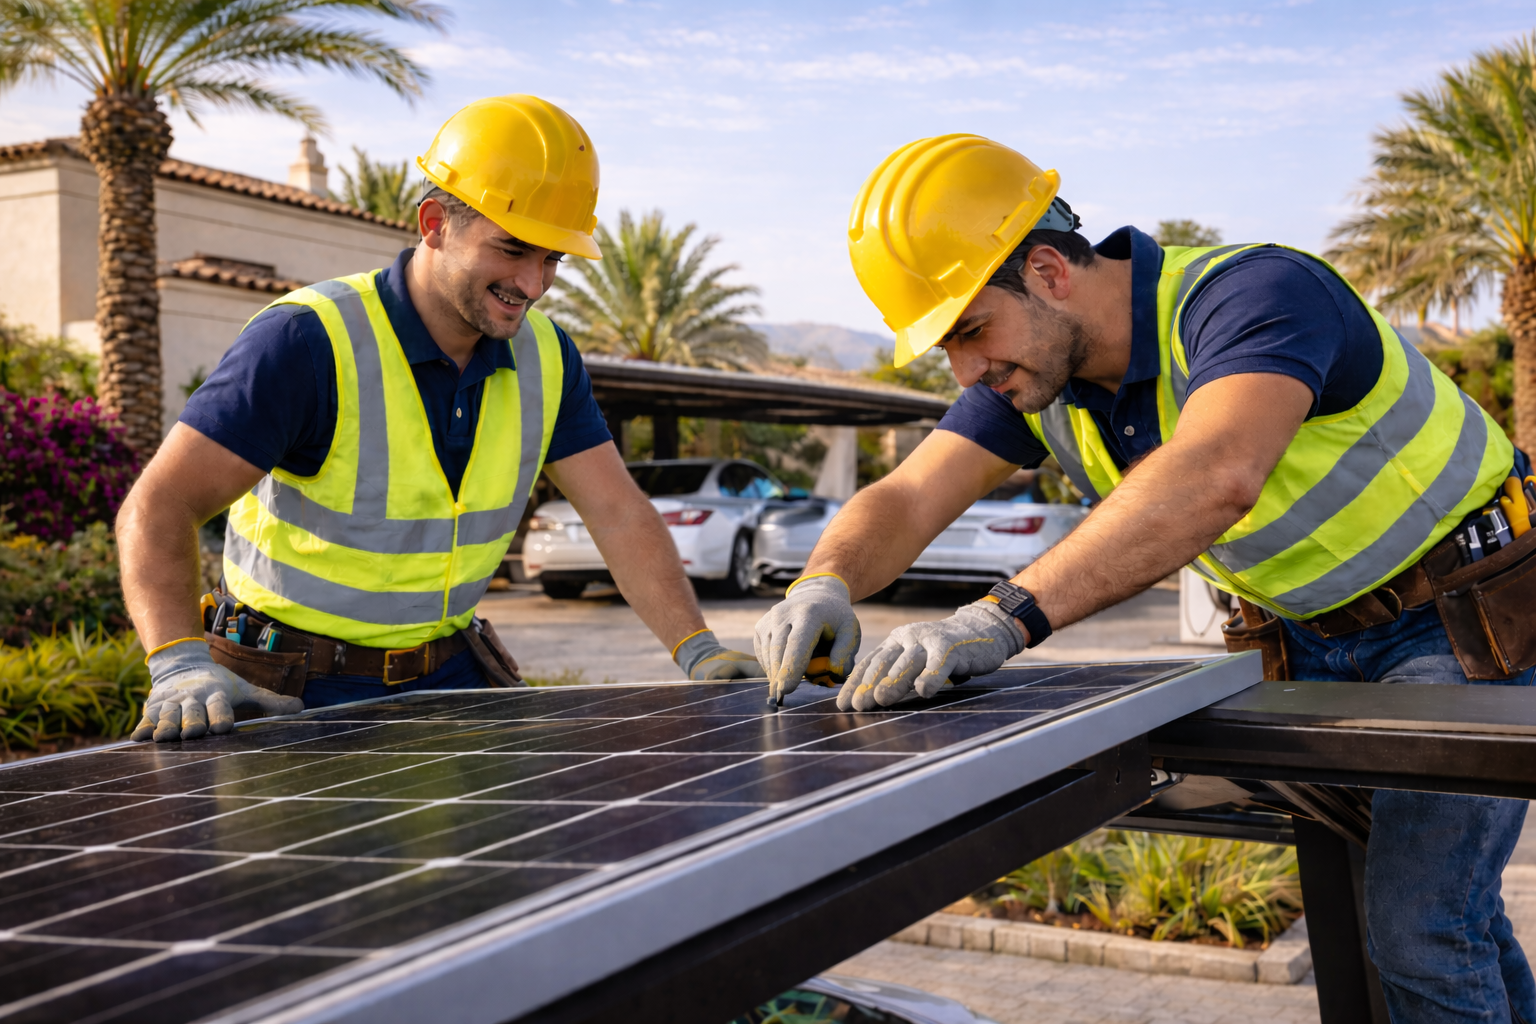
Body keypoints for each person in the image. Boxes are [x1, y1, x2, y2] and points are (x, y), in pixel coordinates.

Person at [755, 134, 1535, 1022]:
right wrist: (819, 584)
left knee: (1421, 928)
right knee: (1450, 919)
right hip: (1318, 643)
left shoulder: (1255, 296)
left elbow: (1216, 471)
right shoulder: (1040, 380)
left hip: (1461, 619)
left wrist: (1000, 617)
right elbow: (903, 496)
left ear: (1048, 270)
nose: (967, 370)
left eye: (971, 330)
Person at [118, 94, 760, 744]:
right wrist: (177, 665)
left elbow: (618, 513)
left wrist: (697, 648)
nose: (534, 283)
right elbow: (159, 506)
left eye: (553, 259)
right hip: (284, 686)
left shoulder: (547, 357)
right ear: (434, 223)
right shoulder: (306, 343)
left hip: (452, 674)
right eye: (512, 249)